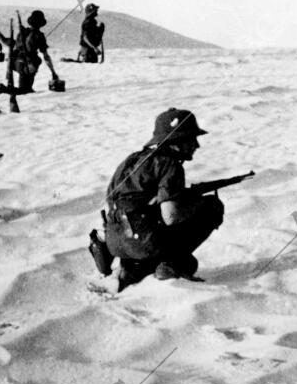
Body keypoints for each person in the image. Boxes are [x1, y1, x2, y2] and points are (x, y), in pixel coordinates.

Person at [89, 108, 225, 290]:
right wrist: (197, 202)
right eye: (191, 139)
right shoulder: (170, 165)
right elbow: (171, 216)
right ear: (177, 141)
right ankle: (169, 266)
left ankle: (132, 270)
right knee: (211, 207)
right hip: (142, 242)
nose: (196, 145)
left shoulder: (134, 159)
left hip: (115, 241)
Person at [10, 10, 59, 94]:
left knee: (26, 90)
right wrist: (53, 72)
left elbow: (15, 49)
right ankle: (5, 89)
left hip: (16, 63)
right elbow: (46, 56)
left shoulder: (22, 32)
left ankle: (19, 88)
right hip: (28, 65)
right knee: (24, 91)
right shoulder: (39, 35)